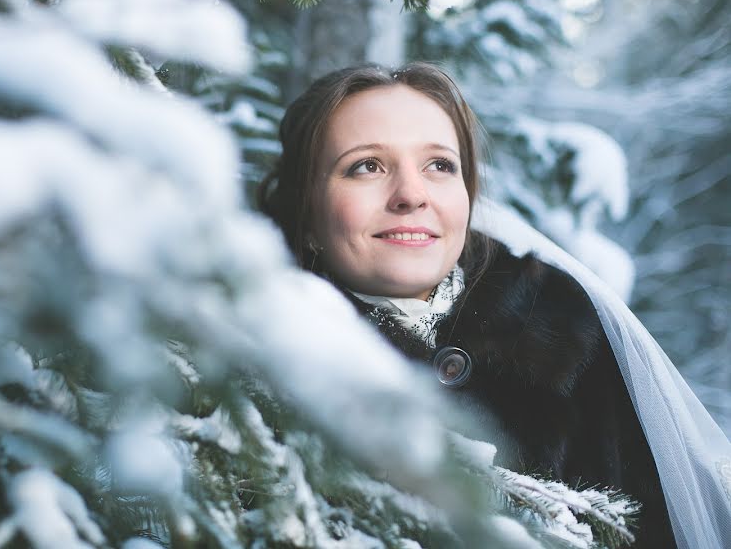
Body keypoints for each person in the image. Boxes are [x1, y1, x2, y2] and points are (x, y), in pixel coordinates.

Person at [258, 63, 731, 548]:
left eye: (439, 165)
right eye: (366, 166)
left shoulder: (568, 333)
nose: (411, 195)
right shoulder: (252, 359)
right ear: (308, 215)